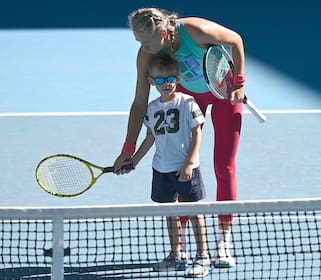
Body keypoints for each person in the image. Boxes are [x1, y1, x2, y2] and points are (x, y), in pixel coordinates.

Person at [115, 7, 246, 268]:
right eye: (139, 41)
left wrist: (240, 83)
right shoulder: (145, 56)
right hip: (189, 96)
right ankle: (181, 248)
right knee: (178, 166)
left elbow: (236, 40)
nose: (143, 47)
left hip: (223, 92)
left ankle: (223, 241)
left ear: (163, 33)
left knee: (224, 165)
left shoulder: (196, 31)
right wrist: (128, 148)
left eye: (146, 41)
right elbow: (139, 104)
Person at [129, 52, 210, 277]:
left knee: (194, 212)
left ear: (178, 78)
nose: (166, 84)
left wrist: (190, 162)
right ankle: (177, 254)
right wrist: (133, 161)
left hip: (186, 168)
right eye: (160, 80)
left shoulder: (187, 102)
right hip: (161, 169)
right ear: (151, 81)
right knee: (170, 212)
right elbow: (149, 138)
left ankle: (202, 256)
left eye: (170, 78)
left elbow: (197, 134)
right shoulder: (152, 108)